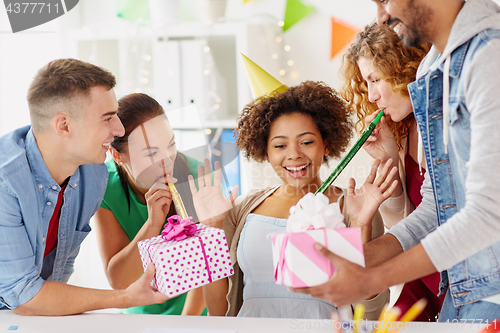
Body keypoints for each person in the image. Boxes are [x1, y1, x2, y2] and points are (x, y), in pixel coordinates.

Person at [291, 0, 500, 321]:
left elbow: (487, 213)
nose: (381, 16)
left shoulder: (489, 56)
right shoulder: (437, 70)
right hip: (463, 284)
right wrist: (355, 258)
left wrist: (371, 275)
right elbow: (434, 209)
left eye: (385, 0)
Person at [193, 81, 398, 319]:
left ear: (326, 144)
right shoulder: (242, 210)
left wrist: (361, 224)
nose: (294, 154)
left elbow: (370, 315)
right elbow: (219, 312)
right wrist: (212, 230)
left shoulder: (356, 206)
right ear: (266, 151)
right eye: (280, 145)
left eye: (307, 142)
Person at [0, 59, 169, 316]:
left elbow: (57, 273)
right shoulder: (6, 182)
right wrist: (125, 298)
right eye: (108, 118)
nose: (119, 129)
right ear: (64, 125)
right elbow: (24, 295)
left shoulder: (92, 174)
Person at [340, 23, 441, 321]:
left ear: (405, 69)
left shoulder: (441, 123)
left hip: (455, 273)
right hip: (422, 276)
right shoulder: (404, 131)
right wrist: (388, 162)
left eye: (375, 79)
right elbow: (405, 221)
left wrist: (363, 258)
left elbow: (435, 217)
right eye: (365, 83)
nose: (371, 96)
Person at [93, 93, 207, 316]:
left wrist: (185, 325)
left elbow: (209, 267)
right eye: (151, 152)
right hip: (139, 315)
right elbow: (119, 281)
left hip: (195, 315)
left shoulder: (200, 176)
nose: (167, 160)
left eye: (171, 144)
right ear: (117, 155)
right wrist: (152, 225)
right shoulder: (103, 185)